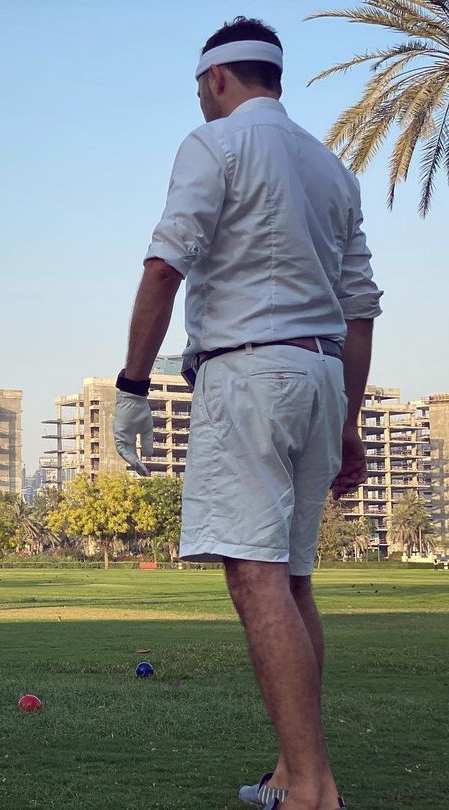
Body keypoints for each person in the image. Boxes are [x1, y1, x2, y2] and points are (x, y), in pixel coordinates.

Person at [113, 17, 382, 810]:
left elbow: (165, 266)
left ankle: (311, 789)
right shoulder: (331, 167)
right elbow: (361, 308)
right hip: (323, 371)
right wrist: (348, 420)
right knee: (294, 580)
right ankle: (294, 772)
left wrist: (133, 387)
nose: (199, 98)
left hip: (250, 371)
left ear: (219, 79)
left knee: (254, 575)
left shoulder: (215, 144)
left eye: (200, 87)